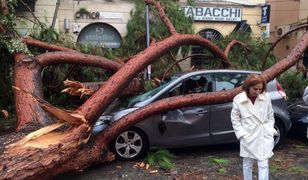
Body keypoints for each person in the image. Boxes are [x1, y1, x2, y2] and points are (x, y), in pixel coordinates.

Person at [230, 74, 277, 180]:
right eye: (255, 89)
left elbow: (270, 115)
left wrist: (270, 129)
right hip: (248, 136)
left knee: (263, 163)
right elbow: (235, 119)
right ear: (248, 87)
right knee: (247, 163)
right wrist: (242, 135)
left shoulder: (266, 97)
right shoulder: (238, 100)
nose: (258, 92)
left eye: (260, 89)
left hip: (264, 134)